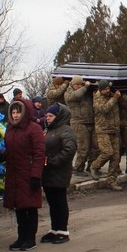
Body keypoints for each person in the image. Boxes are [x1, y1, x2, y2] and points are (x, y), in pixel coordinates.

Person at [4, 99, 45, 251]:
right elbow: (11, 150)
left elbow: (39, 154)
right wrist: (2, 155)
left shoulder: (34, 128)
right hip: (14, 173)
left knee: (30, 207)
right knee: (19, 207)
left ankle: (30, 238)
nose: (15, 116)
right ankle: (21, 237)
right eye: (13, 112)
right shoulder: (10, 129)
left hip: (28, 174)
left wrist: (35, 175)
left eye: (18, 112)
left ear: (25, 112)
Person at [41, 103, 77, 244]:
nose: (48, 118)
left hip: (59, 171)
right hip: (47, 172)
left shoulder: (66, 130)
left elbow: (69, 149)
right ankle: (54, 228)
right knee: (52, 201)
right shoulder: (47, 130)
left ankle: (62, 230)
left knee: (60, 201)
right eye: (47, 116)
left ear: (59, 116)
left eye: (51, 116)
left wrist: (54, 161)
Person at [90, 80, 123, 191]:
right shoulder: (97, 98)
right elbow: (104, 109)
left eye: (108, 89)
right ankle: (94, 166)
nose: (107, 91)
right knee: (107, 152)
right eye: (105, 89)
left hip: (114, 130)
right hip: (103, 130)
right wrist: (115, 98)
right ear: (100, 89)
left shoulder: (113, 96)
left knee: (116, 156)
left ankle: (111, 180)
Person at [65, 76, 96, 177]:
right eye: (77, 84)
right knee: (83, 147)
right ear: (72, 84)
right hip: (78, 122)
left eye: (80, 84)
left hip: (90, 121)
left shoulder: (86, 91)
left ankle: (92, 166)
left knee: (95, 147)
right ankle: (79, 168)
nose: (79, 86)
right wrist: (85, 86)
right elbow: (75, 96)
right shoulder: (68, 93)